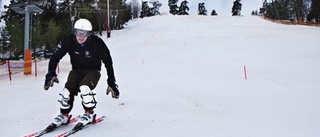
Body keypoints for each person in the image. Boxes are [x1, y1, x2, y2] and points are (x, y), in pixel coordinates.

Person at [44, 18, 119, 127]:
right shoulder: (68, 41)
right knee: (67, 90)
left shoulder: (97, 43)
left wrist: (111, 81)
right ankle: (64, 115)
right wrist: (51, 73)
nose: (81, 36)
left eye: (84, 34)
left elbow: (108, 61)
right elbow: (55, 57)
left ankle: (89, 113)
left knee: (84, 87)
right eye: (78, 32)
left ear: (89, 34)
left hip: (93, 71)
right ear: (74, 31)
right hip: (76, 70)